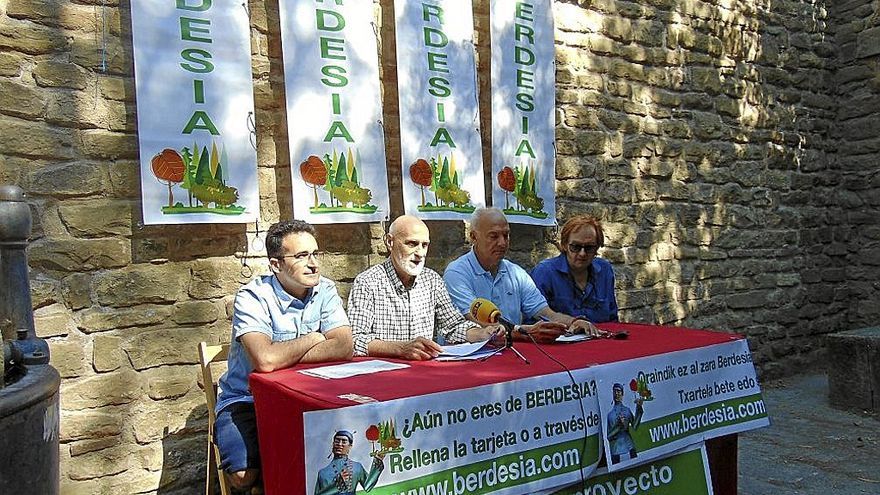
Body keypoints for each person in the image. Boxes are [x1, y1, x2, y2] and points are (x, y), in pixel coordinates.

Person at [215, 220, 354, 492]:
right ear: (276, 265)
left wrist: (285, 353)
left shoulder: (324, 289)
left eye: (315, 254)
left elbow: (344, 346)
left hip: (306, 394)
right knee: (244, 475)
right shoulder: (253, 296)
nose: (313, 263)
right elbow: (265, 361)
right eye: (302, 256)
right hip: (248, 398)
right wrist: (313, 339)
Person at [348, 215, 501, 360]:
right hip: (383, 375)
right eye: (412, 244)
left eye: (425, 245)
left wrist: (483, 334)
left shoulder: (432, 280)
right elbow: (354, 340)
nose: (420, 253)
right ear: (390, 242)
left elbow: (453, 326)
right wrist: (400, 349)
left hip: (424, 371)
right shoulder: (368, 282)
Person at [443, 207, 605, 342]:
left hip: (511, 350)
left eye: (506, 235)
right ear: (473, 237)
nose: (502, 242)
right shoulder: (457, 273)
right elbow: (475, 321)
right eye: (494, 236)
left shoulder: (515, 272)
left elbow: (545, 313)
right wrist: (526, 332)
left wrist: (574, 322)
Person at [530, 215, 619, 323]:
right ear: (565, 245)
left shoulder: (605, 271)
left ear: (597, 248)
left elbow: (613, 319)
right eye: (575, 247)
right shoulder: (545, 273)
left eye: (589, 248)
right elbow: (532, 320)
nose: (582, 253)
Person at [314, 431, 384, 495]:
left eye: (344, 441)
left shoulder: (357, 467)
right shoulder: (323, 473)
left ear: (350, 446)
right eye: (337, 441)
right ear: (333, 444)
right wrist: (336, 484)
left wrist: (377, 462)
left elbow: (367, 486)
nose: (340, 444)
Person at [606, 382, 644, 463]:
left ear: (622, 394)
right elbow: (609, 436)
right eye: (615, 391)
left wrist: (639, 408)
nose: (616, 394)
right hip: (616, 452)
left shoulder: (627, 410)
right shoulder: (610, 415)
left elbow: (635, 426)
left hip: (630, 447)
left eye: (618, 391)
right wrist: (618, 426)